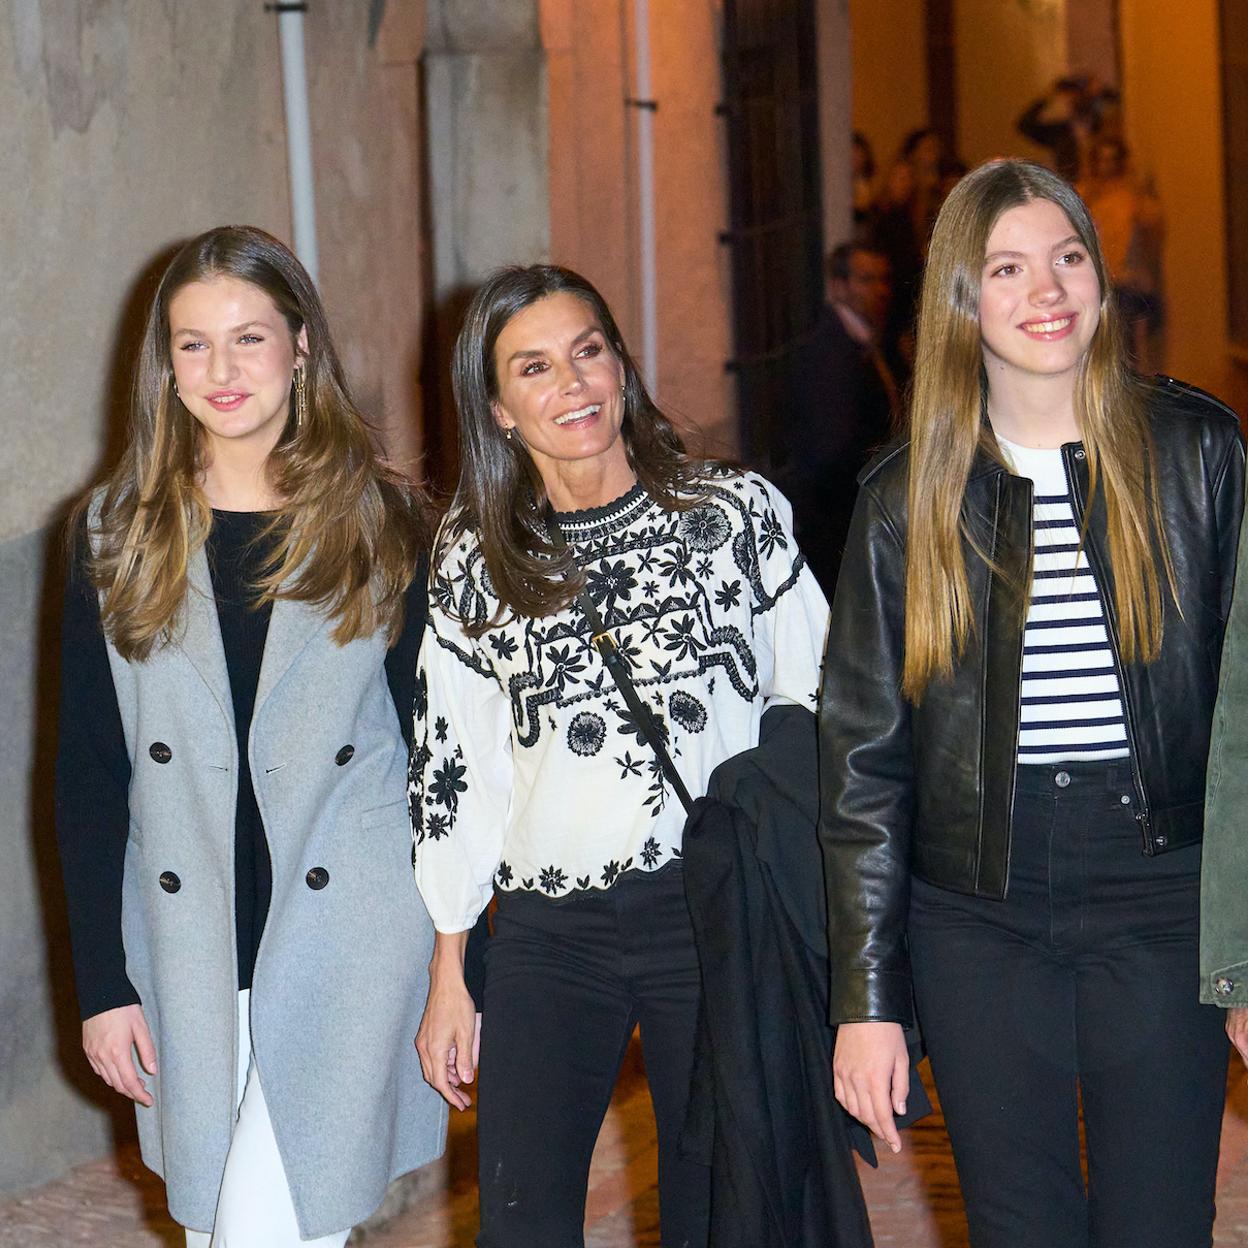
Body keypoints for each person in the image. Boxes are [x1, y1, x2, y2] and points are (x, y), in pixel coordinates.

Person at [819, 160, 1243, 1248]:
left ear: (1101, 278)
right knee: (1021, 1228)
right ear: (962, 298)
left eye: (1067, 258)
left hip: (1162, 897)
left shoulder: (1199, 455)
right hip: (977, 914)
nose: (1046, 290)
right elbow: (864, 767)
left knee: (1159, 1225)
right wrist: (867, 999)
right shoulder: (902, 499)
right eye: (1007, 267)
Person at [409, 264, 829, 1247]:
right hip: (553, 934)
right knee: (518, 1217)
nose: (573, 383)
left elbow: (816, 705)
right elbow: (453, 772)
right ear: (500, 410)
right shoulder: (476, 559)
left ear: (621, 366)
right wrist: (449, 972)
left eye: (589, 351)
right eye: (536, 367)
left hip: (710, 918)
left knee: (713, 1213)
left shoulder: (733, 516)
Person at [55, 226, 446, 1246]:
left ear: (302, 346)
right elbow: (88, 777)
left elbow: (438, 764)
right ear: (164, 362)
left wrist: (462, 964)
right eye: (194, 344)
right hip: (187, 944)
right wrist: (102, 983)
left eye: (249, 339)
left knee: (265, 1229)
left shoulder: (383, 525)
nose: (222, 372)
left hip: (351, 935)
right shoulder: (114, 533)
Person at [785, 241, 898, 591]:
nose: (878, 290)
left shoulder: (865, 341)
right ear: (838, 286)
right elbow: (832, 444)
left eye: (882, 279)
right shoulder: (829, 349)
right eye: (866, 280)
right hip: (839, 518)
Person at [1078, 136, 1164, 370]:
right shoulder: (1083, 195)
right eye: (1102, 160)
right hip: (1092, 282)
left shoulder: (1132, 197)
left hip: (1126, 281)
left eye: (1112, 160)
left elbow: (1148, 234)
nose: (1106, 166)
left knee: (1130, 351)